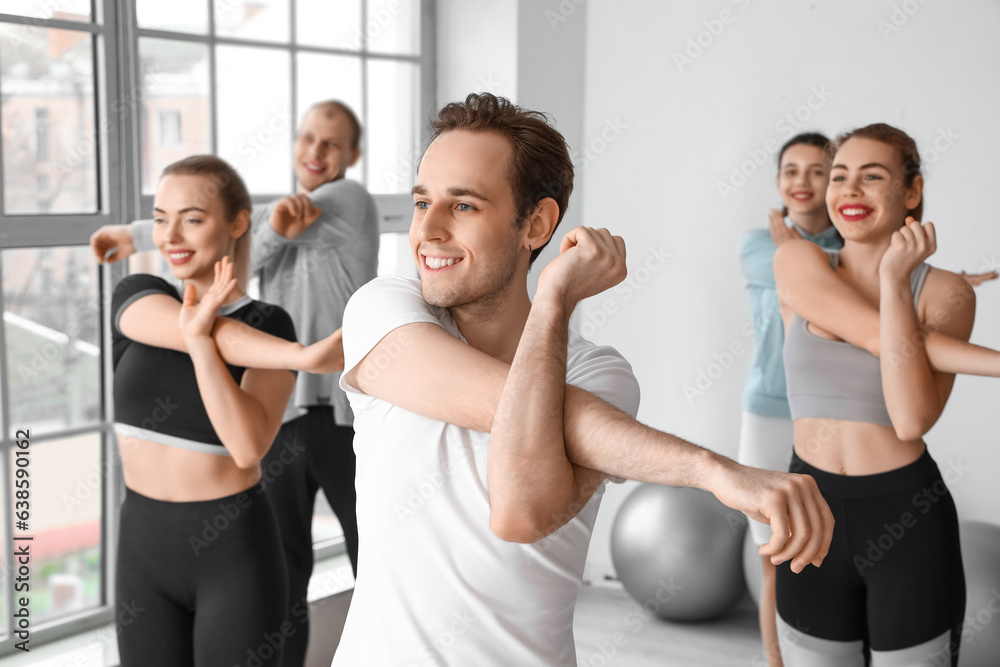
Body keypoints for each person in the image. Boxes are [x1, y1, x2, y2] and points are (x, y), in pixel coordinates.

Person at [331, 93, 835, 666]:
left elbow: (518, 513)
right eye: (424, 203)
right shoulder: (383, 308)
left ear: (537, 223)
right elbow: (535, 412)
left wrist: (553, 301)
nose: (430, 230)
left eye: (464, 206)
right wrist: (713, 470)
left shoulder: (599, 374)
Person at [92, 101, 375, 666]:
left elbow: (247, 446)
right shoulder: (139, 294)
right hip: (143, 546)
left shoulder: (341, 208)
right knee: (297, 564)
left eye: (193, 217)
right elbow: (213, 304)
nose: (315, 152)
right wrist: (293, 354)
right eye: (160, 217)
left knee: (372, 555)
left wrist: (209, 337)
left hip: (249, 532)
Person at [773, 123, 1000, 666]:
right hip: (808, 508)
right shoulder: (797, 262)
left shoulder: (946, 291)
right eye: (840, 176)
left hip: (908, 516)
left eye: (872, 177)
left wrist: (899, 282)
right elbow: (883, 340)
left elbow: (909, 419)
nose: (848, 190)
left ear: (912, 193)